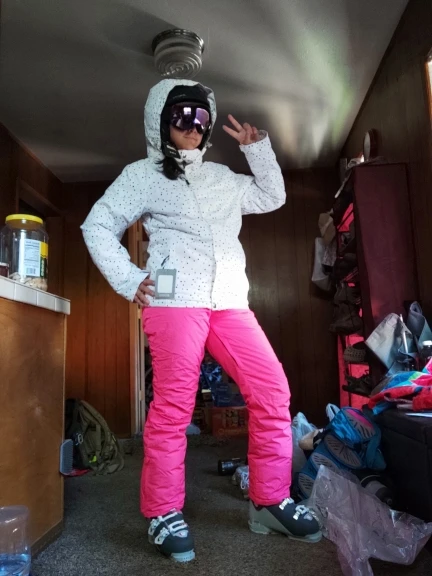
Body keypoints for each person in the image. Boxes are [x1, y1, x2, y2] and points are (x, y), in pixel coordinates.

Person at [81, 79, 321, 563]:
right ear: (160, 121)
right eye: (181, 116)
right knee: (174, 406)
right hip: (174, 302)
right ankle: (162, 512)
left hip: (230, 303)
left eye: (200, 117)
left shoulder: (223, 178)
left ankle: (269, 501)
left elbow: (271, 196)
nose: (192, 126)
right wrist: (130, 279)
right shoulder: (142, 175)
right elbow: (97, 225)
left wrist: (257, 150)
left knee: (272, 392)